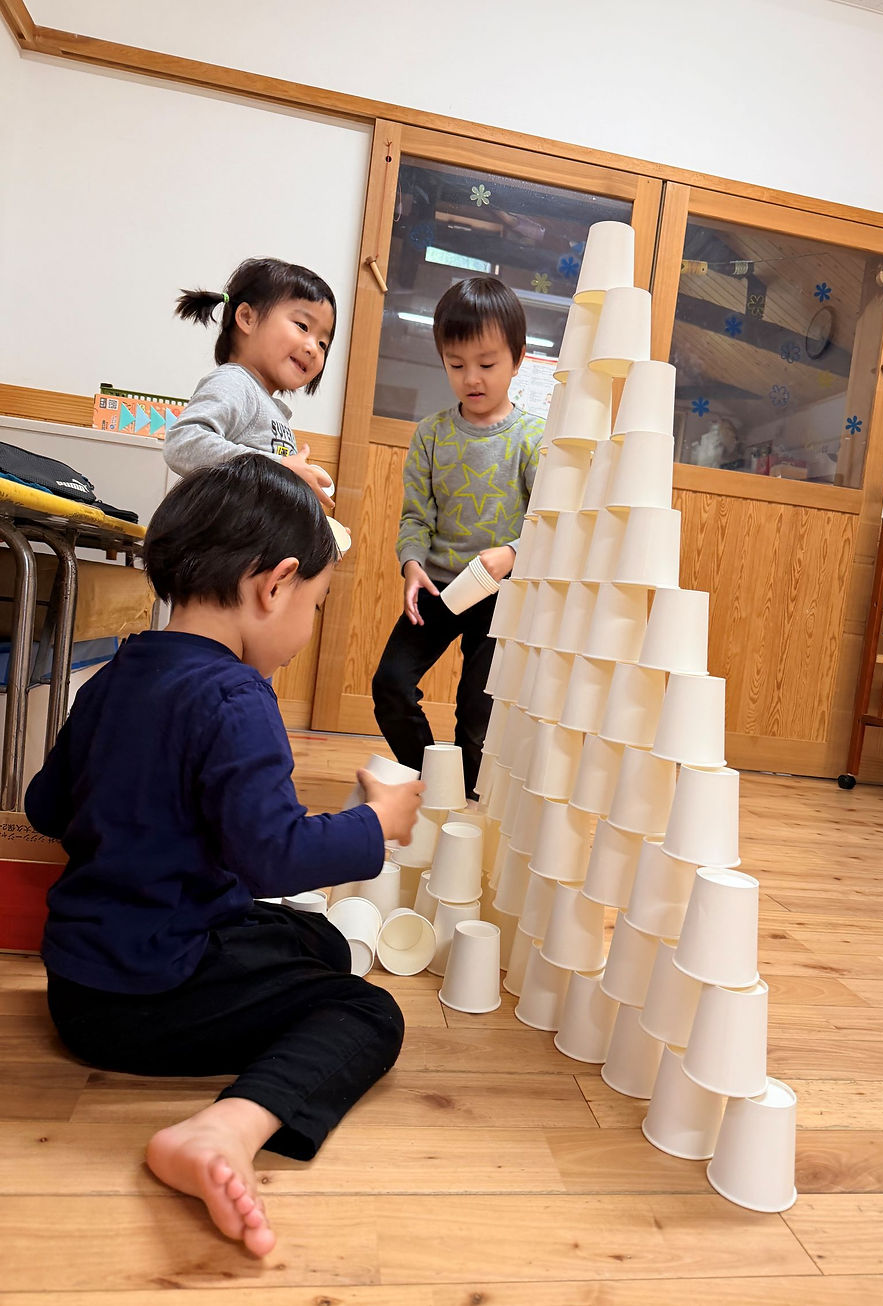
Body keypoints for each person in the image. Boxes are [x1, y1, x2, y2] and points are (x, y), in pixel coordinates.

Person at [24, 454, 424, 1257]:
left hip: (77, 980)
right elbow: (273, 857)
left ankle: (254, 1032)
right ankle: (224, 1131)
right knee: (365, 1010)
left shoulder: (115, 673)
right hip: (147, 1001)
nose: (307, 625)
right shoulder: (239, 698)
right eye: (316, 603)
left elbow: (45, 806)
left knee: (316, 942)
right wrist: (376, 824)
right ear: (273, 586)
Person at [372, 277, 544, 799]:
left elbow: (552, 527)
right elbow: (415, 517)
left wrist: (513, 554)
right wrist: (410, 564)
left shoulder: (534, 439)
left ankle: (464, 808)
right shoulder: (430, 435)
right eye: (456, 363)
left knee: (477, 715)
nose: (471, 377)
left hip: (500, 597)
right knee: (390, 687)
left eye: (487, 364)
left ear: (517, 360)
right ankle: (434, 786)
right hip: (437, 590)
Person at [165, 256, 337, 509]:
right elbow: (182, 443)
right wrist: (277, 467)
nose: (313, 348)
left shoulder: (269, 408)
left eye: (323, 343)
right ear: (247, 317)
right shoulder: (235, 383)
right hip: (215, 547)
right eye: (302, 325)